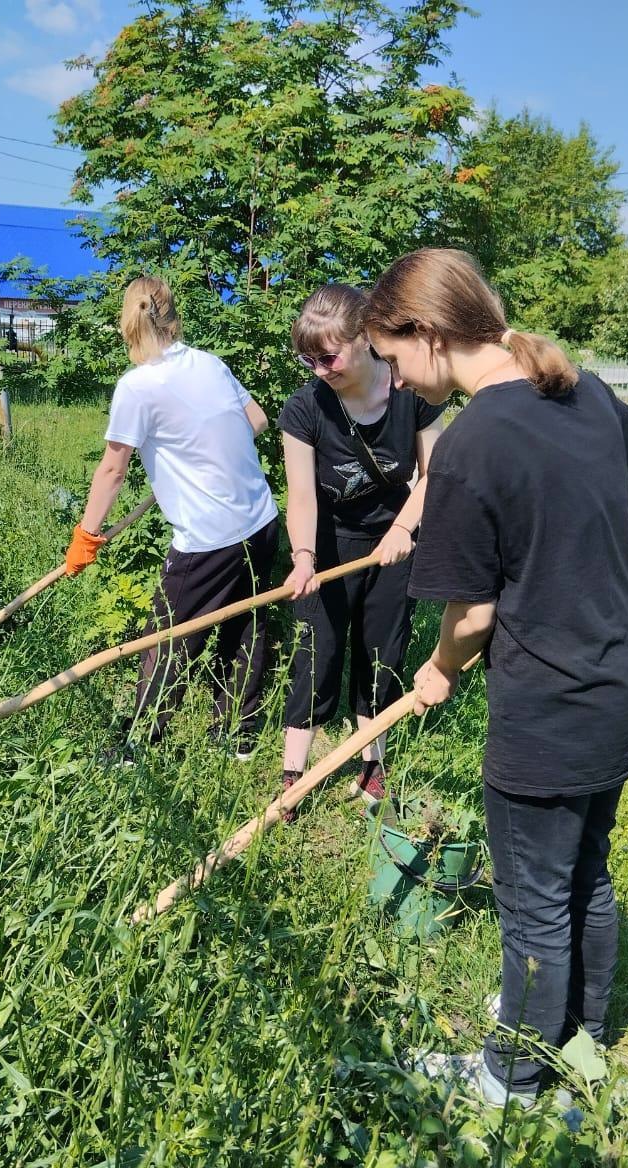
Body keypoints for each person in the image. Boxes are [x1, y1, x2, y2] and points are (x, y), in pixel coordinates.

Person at [365, 247, 628, 1106]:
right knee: (585, 867)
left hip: (556, 698)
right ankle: (577, 1031)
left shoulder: (471, 443)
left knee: (533, 891)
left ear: (427, 335)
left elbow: (468, 617)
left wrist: (435, 673)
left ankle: (510, 1076)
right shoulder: (574, 389)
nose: (393, 383)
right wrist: (585, 538)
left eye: (391, 360)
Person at [65, 277, 278, 757]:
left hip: (208, 536)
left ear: (128, 324)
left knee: (168, 636)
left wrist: (87, 534)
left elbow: (113, 470)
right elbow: (257, 420)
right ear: (173, 315)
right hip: (261, 519)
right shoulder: (210, 364)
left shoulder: (137, 386)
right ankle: (237, 735)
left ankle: (141, 739)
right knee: (246, 622)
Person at [278, 284, 445, 815]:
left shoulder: (410, 394)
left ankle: (370, 766)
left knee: (381, 655)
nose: (319, 368)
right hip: (329, 546)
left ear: (364, 340)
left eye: (327, 356)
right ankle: (293, 775)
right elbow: (301, 494)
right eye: (308, 359)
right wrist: (303, 557)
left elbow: (433, 475)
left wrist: (402, 530)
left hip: (397, 542)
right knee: (316, 655)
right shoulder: (304, 408)